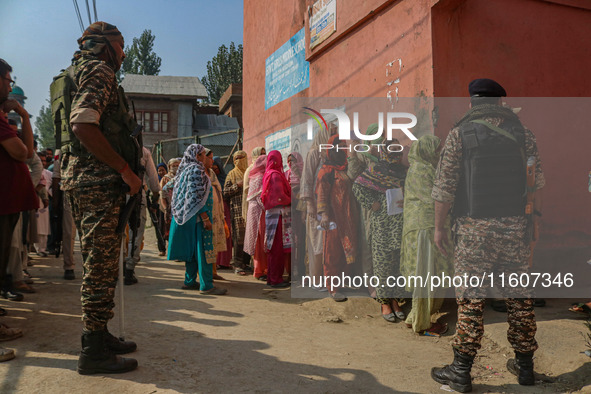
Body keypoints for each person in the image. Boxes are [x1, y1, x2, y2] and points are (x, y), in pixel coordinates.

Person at [431, 79, 544, 392]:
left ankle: (460, 372)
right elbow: (535, 184)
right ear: (501, 104)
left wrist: (439, 227)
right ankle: (525, 369)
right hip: (516, 228)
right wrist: (534, 222)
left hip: (473, 231)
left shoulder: (460, 135)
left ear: (472, 105)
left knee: (471, 300)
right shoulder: (524, 135)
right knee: (519, 299)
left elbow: (444, 189)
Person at [59, 22, 140, 374]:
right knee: (101, 265)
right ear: (106, 45)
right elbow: (82, 124)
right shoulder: (101, 70)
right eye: (121, 46)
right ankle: (93, 352)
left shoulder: (74, 71)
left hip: (82, 180)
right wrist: (125, 169)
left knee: (100, 261)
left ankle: (100, 334)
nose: (123, 53)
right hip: (98, 182)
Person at [0, 58, 38, 362]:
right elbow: (21, 152)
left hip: (8, 205)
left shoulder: (4, 117)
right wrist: (21, 115)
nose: (10, 86)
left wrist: (23, 115)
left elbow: (29, 151)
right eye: (8, 80)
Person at [400, 135, 453, 335]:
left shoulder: (423, 168)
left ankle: (415, 316)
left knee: (427, 275)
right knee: (427, 275)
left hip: (425, 228)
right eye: (436, 149)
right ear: (426, 151)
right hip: (425, 229)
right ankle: (422, 324)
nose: (439, 153)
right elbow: (435, 199)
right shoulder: (422, 170)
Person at [353, 138, 406, 313]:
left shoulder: (404, 172)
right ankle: (384, 302)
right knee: (382, 263)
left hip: (400, 224)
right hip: (382, 225)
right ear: (384, 151)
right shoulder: (375, 170)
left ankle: (395, 300)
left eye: (397, 151)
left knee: (397, 264)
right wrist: (371, 202)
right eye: (391, 150)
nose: (395, 155)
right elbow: (357, 187)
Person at [168, 144, 227, 295]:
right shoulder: (196, 170)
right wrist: (205, 217)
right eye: (202, 154)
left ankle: (189, 282)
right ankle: (207, 285)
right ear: (196, 156)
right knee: (204, 250)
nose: (204, 158)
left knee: (193, 252)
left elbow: (169, 189)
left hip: (187, 217)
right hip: (198, 218)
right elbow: (196, 196)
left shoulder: (184, 170)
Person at [317, 135, 358, 301]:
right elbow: (321, 194)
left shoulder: (345, 168)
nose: (340, 151)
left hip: (347, 218)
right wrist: (324, 214)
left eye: (343, 147)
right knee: (331, 252)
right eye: (337, 148)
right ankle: (332, 288)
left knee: (345, 251)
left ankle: (341, 284)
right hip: (333, 218)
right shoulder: (326, 171)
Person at [124, 146, 160, 285]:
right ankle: (129, 268)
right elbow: (153, 178)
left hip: (116, 194)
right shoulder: (143, 151)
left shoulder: (114, 145)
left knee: (118, 231)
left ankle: (119, 264)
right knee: (137, 232)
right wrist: (155, 195)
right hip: (138, 194)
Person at [261, 150, 292, 288]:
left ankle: (271, 277)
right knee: (277, 248)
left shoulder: (268, 173)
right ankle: (276, 279)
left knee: (273, 248)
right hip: (278, 215)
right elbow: (280, 195)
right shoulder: (275, 175)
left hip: (271, 215)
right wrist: (292, 200)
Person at [223, 150, 251, 275]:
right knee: (239, 238)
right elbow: (225, 192)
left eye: (241, 157)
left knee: (249, 237)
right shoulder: (231, 174)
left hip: (250, 210)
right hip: (237, 210)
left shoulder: (250, 172)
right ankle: (237, 264)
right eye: (236, 158)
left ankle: (246, 263)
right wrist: (237, 186)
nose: (239, 160)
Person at [243, 154, 268, 280]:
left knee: (258, 241)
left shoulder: (254, 175)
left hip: (254, 212)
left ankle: (259, 269)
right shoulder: (260, 177)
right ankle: (260, 270)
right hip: (260, 213)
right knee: (261, 242)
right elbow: (260, 198)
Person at [286, 152, 305, 281]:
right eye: (289, 161)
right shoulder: (286, 174)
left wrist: (298, 174)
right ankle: (291, 271)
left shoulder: (304, 172)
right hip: (290, 209)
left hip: (302, 210)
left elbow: (307, 186)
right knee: (291, 241)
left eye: (293, 161)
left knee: (302, 240)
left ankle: (302, 270)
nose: (291, 164)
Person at [213, 156, 233, 270]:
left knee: (227, 233)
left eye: (217, 169)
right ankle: (217, 261)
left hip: (226, 208)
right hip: (215, 208)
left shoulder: (225, 178)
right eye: (213, 168)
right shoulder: (210, 178)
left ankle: (225, 261)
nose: (215, 171)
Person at [242, 146, 266, 220]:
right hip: (253, 202)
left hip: (263, 202)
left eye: (264, 154)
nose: (263, 156)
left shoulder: (265, 168)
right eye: (260, 154)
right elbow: (246, 188)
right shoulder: (250, 169)